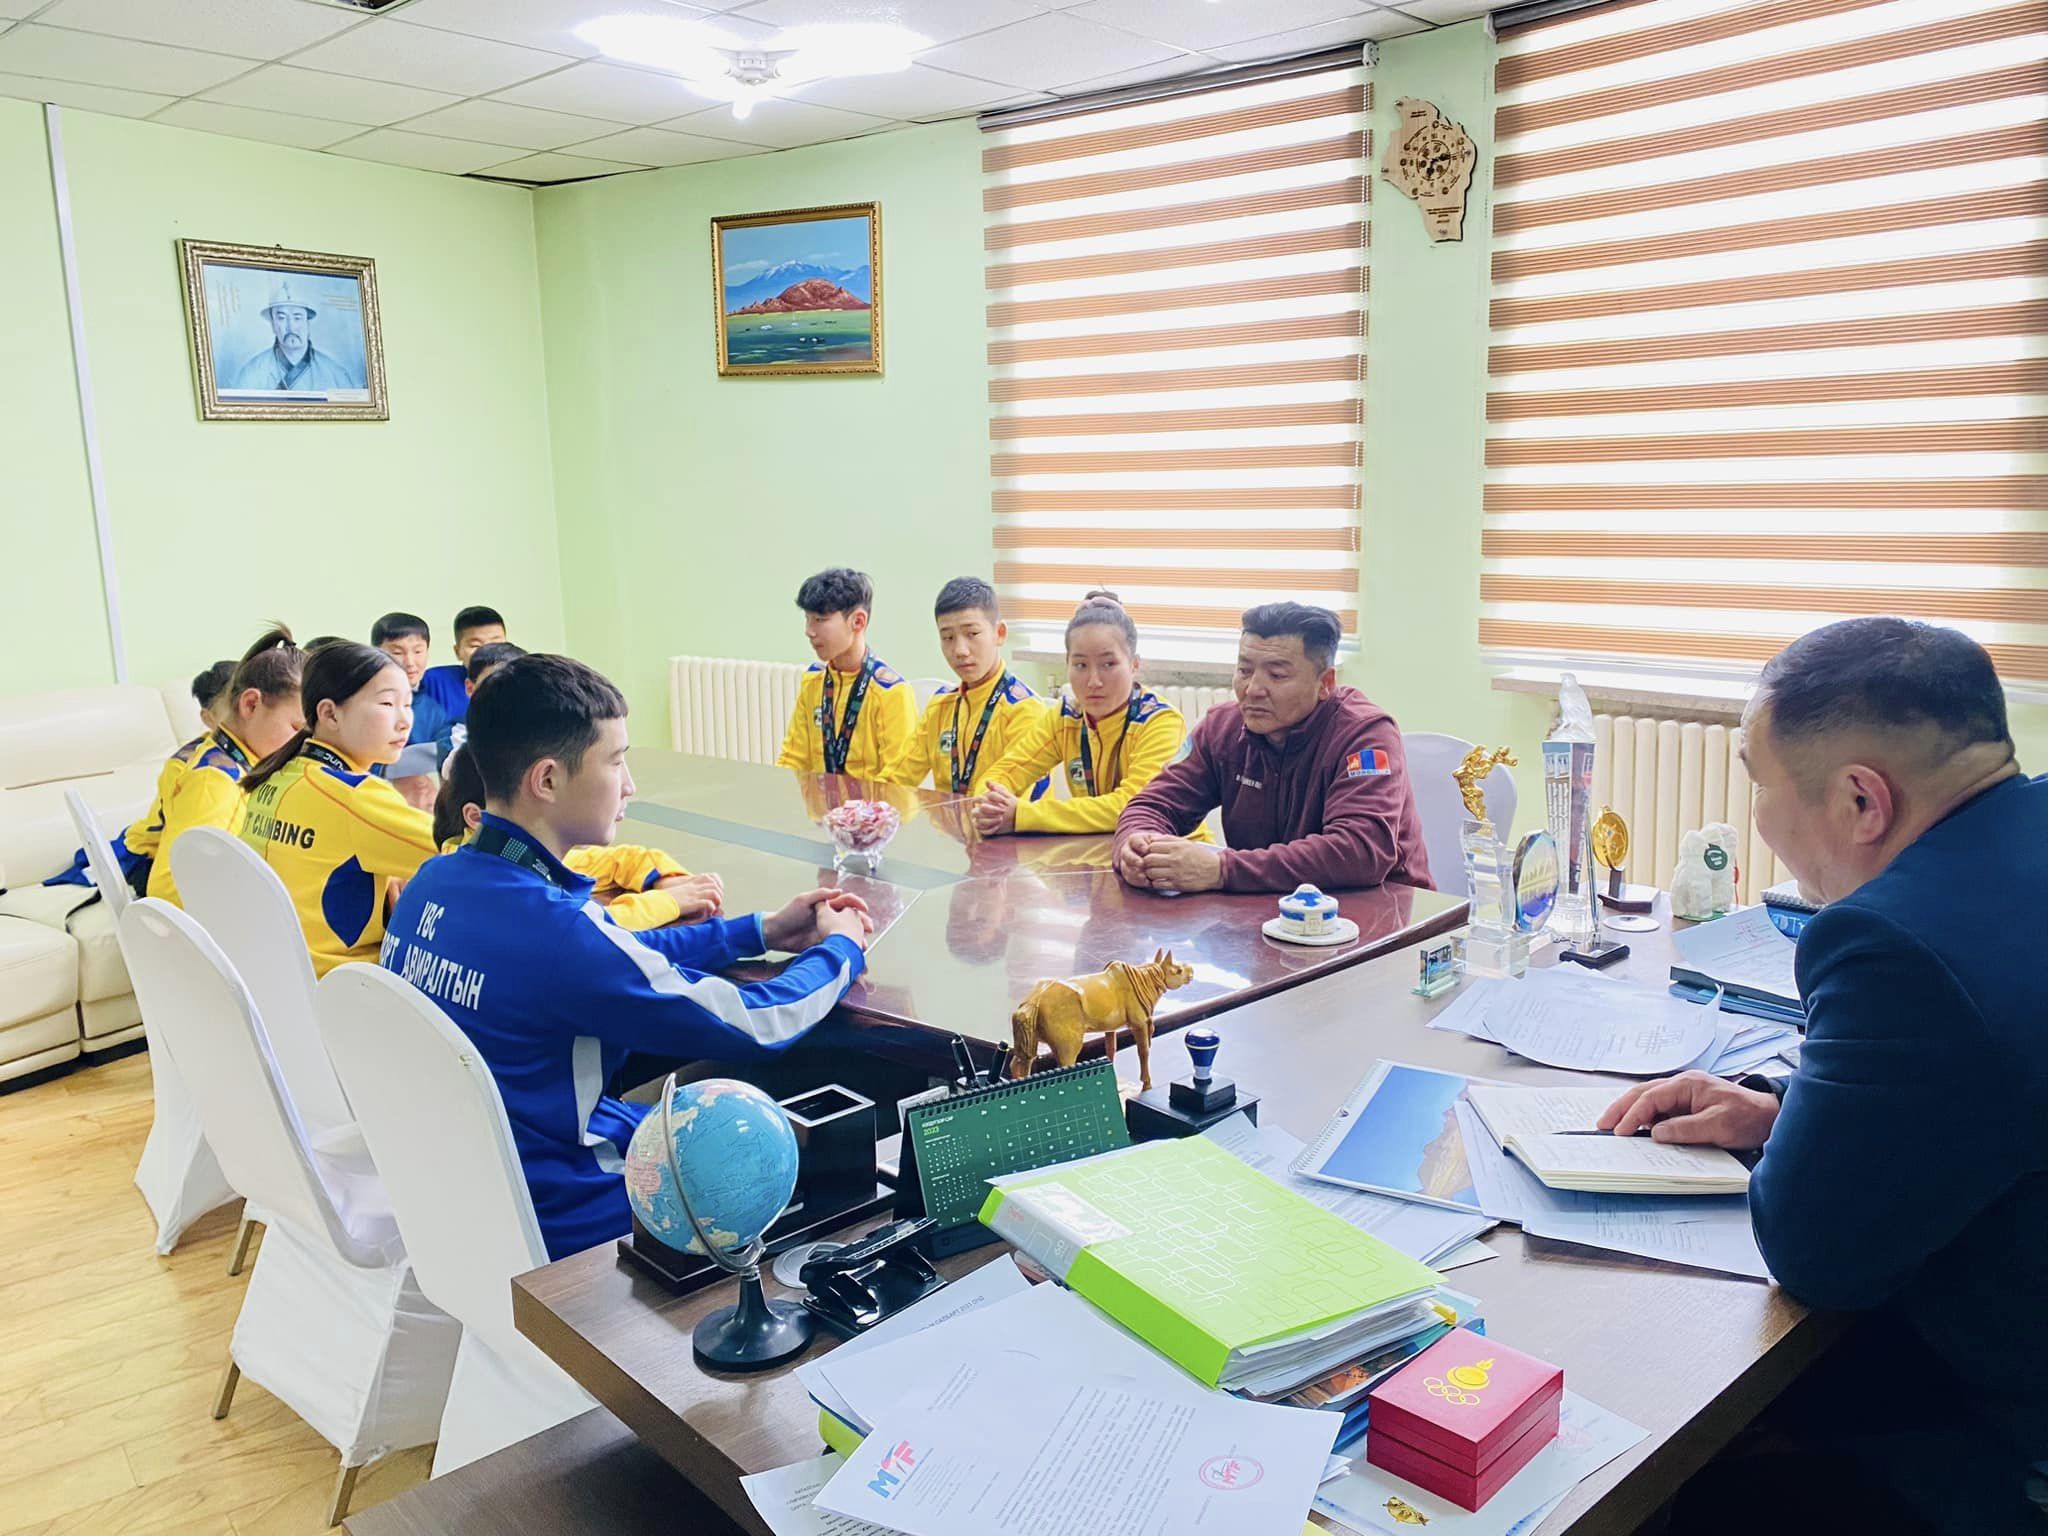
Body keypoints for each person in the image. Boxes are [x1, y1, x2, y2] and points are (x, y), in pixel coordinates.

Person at [1596, 619, 2044, 1535]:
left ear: (1861, 800)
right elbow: (1987, 1082)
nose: (1760, 817)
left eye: (1759, 784)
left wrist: (1800, 1142)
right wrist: (1781, 1108)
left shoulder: (1895, 943)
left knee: (1663, 1436)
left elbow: (1815, 1255)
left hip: (2001, 1424)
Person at [383, 653, 873, 1261]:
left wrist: (757, 931)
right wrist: (841, 949)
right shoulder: (557, 933)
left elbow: (612, 954)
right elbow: (758, 1022)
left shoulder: (433, 883)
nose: (630, 784)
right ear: (547, 780)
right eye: (615, 761)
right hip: (577, 1214)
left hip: (464, 1203)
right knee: (836, 1173)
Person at [1112, 602, 1430, 894]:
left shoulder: (1365, 735)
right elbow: (1153, 804)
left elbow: (1359, 851)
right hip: (1265, 911)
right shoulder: (1222, 728)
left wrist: (1223, 869)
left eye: (1277, 675)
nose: (1252, 689)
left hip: (1379, 914)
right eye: (1244, 670)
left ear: (1326, 683)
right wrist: (1136, 844)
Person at [237, 641, 440, 976]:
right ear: (330, 713)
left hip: (276, 974)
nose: (405, 721)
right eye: (387, 703)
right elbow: (467, 854)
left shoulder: (280, 775)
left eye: (407, 704)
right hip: (345, 981)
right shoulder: (355, 795)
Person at [432, 741, 723, 930]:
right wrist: (669, 901)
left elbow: (624, 859)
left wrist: (667, 881)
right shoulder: (481, 877)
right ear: (476, 818)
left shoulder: (518, 852)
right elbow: (581, 929)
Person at [973, 591, 1190, 837]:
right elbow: (1004, 772)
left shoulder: (1161, 722)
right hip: (1098, 848)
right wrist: (990, 803)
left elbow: (1132, 806)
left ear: (1134, 665)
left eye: (1108, 664)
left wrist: (1022, 815)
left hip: (1168, 850)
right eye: (1081, 665)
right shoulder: (1066, 716)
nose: (1094, 681)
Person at [41, 658, 236, 895]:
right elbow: (184, 854)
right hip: (154, 857)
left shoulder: (258, 752)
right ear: (208, 719)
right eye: (236, 710)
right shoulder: (200, 772)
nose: (250, 717)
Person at [146, 628, 306, 908]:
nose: (305, 743)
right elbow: (170, 887)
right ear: (251, 704)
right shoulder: (216, 783)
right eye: (297, 728)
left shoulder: (238, 755)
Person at [893, 578, 1044, 796]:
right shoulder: (940, 706)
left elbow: (1009, 800)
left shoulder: (1025, 712)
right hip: (949, 818)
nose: (960, 650)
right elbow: (896, 778)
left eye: (972, 634)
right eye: (948, 637)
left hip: (1002, 818)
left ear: (999, 633)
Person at [775, 568, 917, 780]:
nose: (809, 631)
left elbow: (897, 780)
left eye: (820, 619)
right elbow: (793, 759)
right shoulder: (813, 681)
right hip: (817, 801)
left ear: (858, 621)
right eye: (807, 618)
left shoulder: (891, 693)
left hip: (872, 802)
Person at [227, 281, 363, 393]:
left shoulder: (336, 375)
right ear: (273, 324)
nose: (290, 326)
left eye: (297, 317)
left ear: (307, 323)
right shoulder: (251, 373)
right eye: (281, 318)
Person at [434, 640, 525, 766]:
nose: (504, 694)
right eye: (493, 684)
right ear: (470, 688)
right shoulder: (457, 733)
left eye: (515, 684)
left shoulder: (538, 725)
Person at [418, 604, 507, 727]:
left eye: (496, 644)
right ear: (457, 651)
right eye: (475, 646)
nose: (488, 652)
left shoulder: (523, 681)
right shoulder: (434, 681)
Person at [370, 611, 448, 748]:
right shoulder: (361, 701)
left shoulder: (433, 712)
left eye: (418, 651)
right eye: (397, 653)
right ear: (375, 654)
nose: (410, 662)